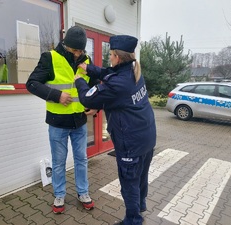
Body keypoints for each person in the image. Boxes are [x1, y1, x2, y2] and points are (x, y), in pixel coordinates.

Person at [74, 35, 157, 225]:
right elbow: (110, 76)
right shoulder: (133, 72)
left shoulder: (119, 83)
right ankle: (140, 206)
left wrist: (79, 80)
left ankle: (133, 219)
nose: (109, 58)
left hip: (131, 143)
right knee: (140, 178)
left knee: (129, 183)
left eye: (110, 55)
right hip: (147, 137)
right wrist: (88, 68)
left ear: (118, 57)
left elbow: (87, 97)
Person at [26, 26, 97, 214]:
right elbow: (32, 84)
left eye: (81, 50)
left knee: (81, 159)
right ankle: (59, 195)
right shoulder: (49, 58)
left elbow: (94, 86)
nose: (79, 54)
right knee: (58, 162)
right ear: (66, 45)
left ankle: (83, 193)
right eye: (75, 50)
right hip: (58, 123)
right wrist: (56, 95)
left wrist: (95, 105)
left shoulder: (86, 60)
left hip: (79, 121)